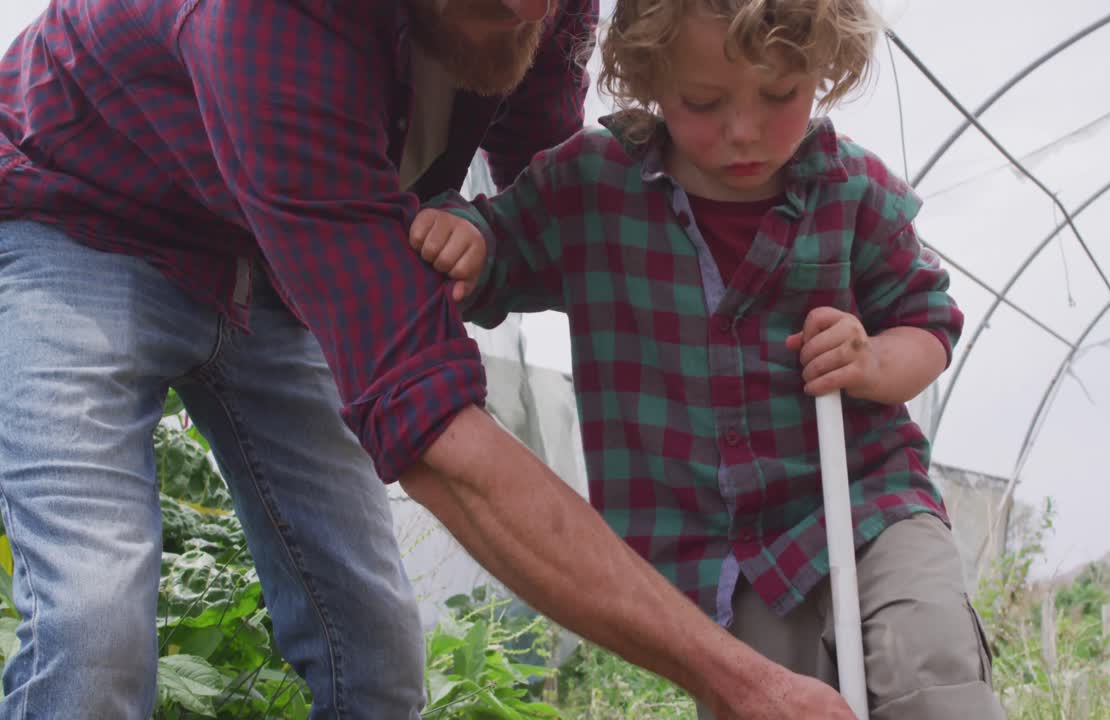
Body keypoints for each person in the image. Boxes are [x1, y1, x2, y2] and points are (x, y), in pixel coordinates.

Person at [0, 0, 858, 718]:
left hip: (272, 268)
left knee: (373, 645)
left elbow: (559, 217)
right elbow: (429, 425)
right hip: (78, 225)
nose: (523, 7)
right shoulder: (271, 19)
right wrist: (742, 681)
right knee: (94, 622)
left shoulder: (542, 14)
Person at [410, 0, 1008, 716]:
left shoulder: (854, 194)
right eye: (703, 101)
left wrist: (873, 360)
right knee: (773, 698)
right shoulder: (590, 187)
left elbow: (928, 323)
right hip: (720, 561)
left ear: (826, 70)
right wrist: (469, 240)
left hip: (870, 506)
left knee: (929, 662)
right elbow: (498, 242)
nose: (744, 129)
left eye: (781, 95)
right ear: (650, 78)